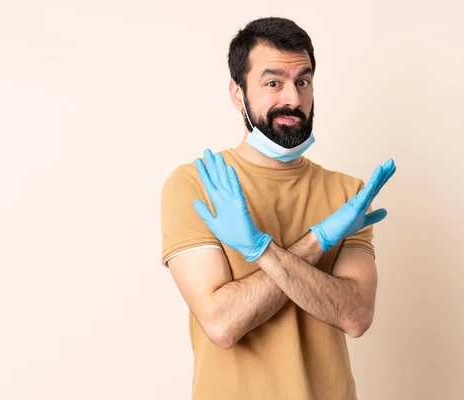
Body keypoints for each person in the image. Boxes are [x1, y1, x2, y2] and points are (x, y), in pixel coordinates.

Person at [160, 17, 396, 400]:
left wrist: (263, 253)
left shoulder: (349, 195)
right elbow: (222, 324)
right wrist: (317, 241)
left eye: (302, 82)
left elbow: (355, 317)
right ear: (238, 94)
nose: (293, 99)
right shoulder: (195, 185)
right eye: (273, 83)